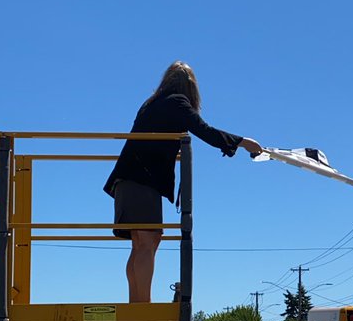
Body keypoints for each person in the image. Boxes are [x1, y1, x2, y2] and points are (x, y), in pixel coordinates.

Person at [104, 62, 262, 302]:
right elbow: (204, 130)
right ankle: (143, 305)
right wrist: (243, 142)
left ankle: (136, 303)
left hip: (126, 181)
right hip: (141, 181)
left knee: (141, 244)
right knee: (146, 242)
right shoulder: (176, 102)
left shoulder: (151, 103)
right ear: (190, 87)